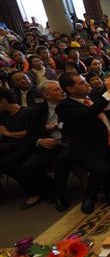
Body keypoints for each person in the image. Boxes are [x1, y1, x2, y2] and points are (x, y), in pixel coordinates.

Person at [56, 73, 110, 214]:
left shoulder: (95, 95)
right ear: (70, 89)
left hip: (109, 141)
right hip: (87, 146)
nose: (87, 84)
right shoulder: (64, 107)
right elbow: (88, 115)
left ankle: (109, 189)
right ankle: (90, 196)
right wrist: (108, 92)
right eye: (81, 83)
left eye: (85, 81)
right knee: (101, 169)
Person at [21, 80, 72, 211]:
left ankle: (59, 195)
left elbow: (75, 125)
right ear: (46, 95)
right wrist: (40, 141)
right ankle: (52, 188)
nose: (62, 91)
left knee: (61, 159)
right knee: (28, 167)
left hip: (69, 143)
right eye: (57, 89)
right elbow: (30, 134)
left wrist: (57, 126)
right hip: (49, 145)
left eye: (61, 88)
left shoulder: (70, 105)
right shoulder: (36, 111)